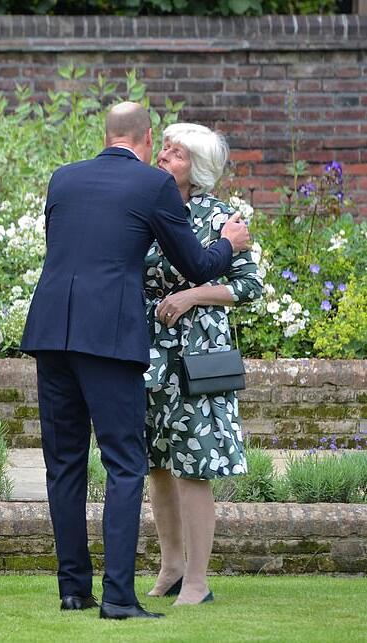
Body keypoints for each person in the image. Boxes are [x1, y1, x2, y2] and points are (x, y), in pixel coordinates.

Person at [20, 102, 252, 621]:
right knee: (125, 464)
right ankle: (120, 598)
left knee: (64, 465)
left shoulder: (64, 179)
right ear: (146, 137)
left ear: (106, 134)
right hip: (108, 338)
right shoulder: (153, 187)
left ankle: (74, 590)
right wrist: (227, 244)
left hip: (51, 333)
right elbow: (196, 264)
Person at [144, 123, 262, 605]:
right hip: (148, 351)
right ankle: (171, 566)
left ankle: (197, 580)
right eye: (165, 148)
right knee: (156, 464)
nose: (165, 155)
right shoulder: (146, 209)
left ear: (201, 169)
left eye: (177, 153)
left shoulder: (221, 217)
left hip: (198, 355)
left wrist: (193, 295)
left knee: (194, 465)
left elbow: (249, 286)